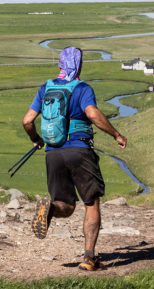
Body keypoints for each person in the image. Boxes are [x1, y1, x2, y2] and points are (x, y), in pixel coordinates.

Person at [22, 46, 127, 271]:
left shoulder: (45, 88)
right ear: (79, 65)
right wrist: (116, 134)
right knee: (91, 202)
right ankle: (89, 258)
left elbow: (27, 121)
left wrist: (37, 139)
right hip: (79, 151)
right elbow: (92, 114)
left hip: (53, 152)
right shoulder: (82, 88)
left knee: (67, 206)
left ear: (60, 63)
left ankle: (50, 208)